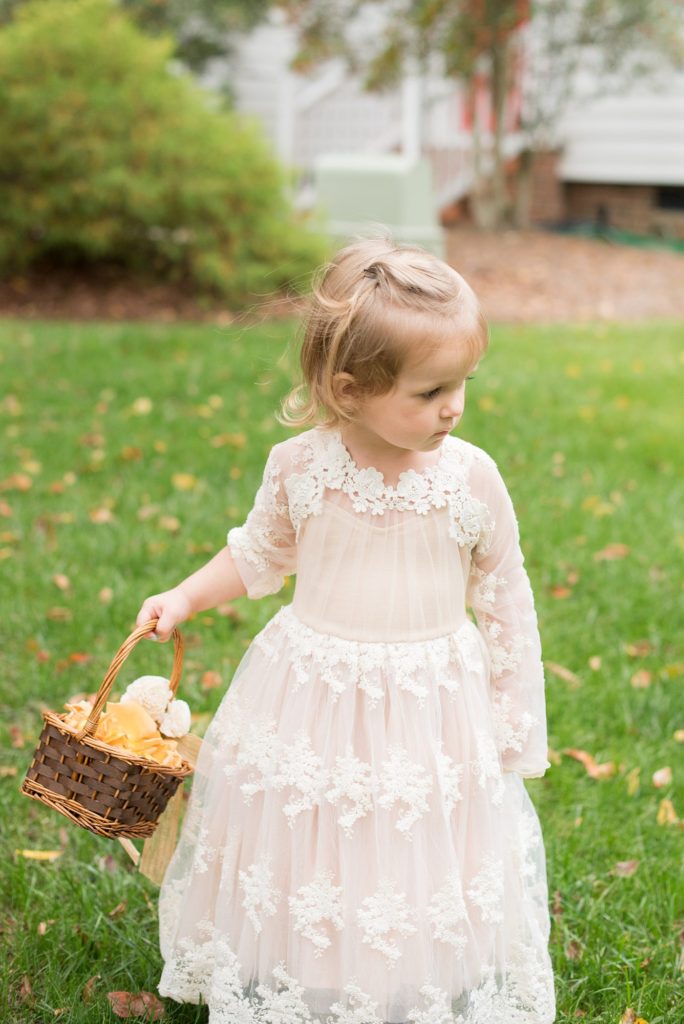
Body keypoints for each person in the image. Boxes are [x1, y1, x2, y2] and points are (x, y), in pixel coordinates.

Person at [136, 237, 556, 1023]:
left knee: (414, 836)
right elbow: (258, 554)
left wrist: (514, 717)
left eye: (462, 384)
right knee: (318, 826)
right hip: (316, 692)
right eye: (431, 392)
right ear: (350, 388)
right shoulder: (302, 467)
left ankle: (410, 977)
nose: (454, 407)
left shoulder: (470, 478)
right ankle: (314, 966)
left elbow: (504, 595)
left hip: (431, 701)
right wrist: (186, 597)